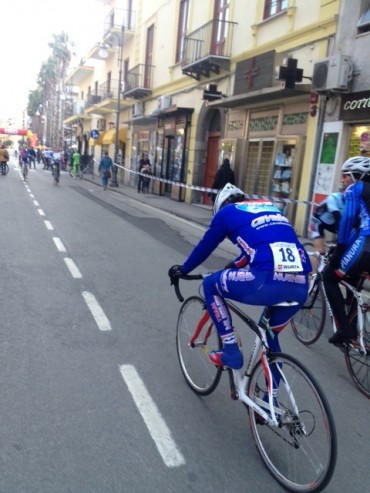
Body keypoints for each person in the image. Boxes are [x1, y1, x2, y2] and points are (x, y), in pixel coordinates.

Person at [169, 183, 311, 370]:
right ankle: (271, 397)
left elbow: (205, 246)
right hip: (301, 285)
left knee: (211, 284)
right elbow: (261, 244)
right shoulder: (269, 207)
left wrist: (184, 269)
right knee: (269, 339)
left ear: (222, 204)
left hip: (266, 280)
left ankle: (231, 352)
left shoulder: (226, 213)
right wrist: (233, 266)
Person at [323, 156, 370, 345]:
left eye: (345, 176)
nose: (342, 180)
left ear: (357, 176)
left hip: (367, 245)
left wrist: (340, 249)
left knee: (329, 276)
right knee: (352, 277)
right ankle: (354, 321)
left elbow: (349, 219)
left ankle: (345, 330)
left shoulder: (356, 189)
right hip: (363, 243)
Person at [310, 188, 347, 254]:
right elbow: (337, 216)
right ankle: (317, 257)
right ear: (342, 192)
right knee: (320, 252)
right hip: (318, 221)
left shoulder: (350, 202)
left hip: (332, 222)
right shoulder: (333, 197)